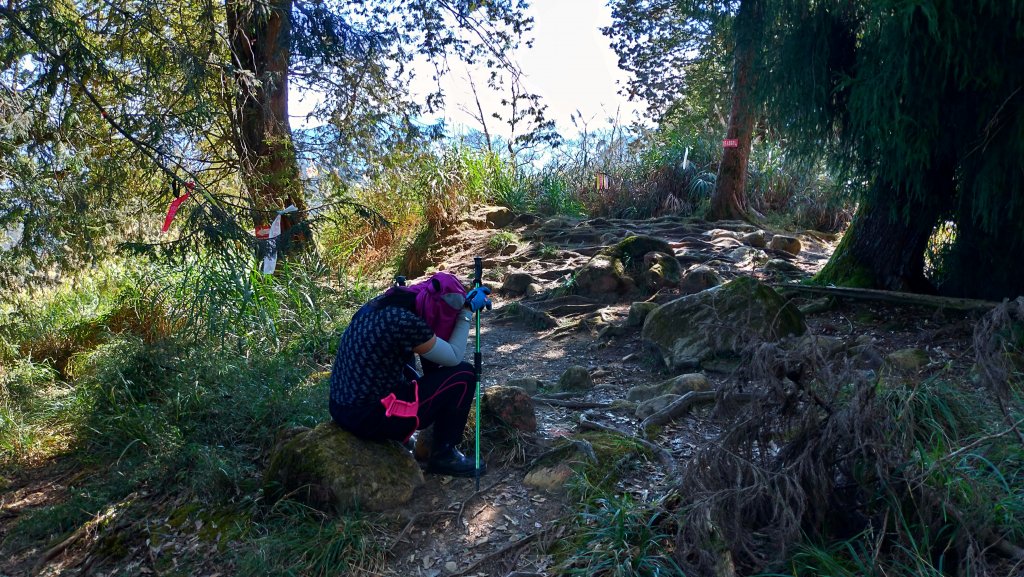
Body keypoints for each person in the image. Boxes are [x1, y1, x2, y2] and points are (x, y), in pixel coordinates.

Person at [328, 272, 492, 477]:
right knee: (464, 375)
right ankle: (444, 454)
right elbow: (453, 357)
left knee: (408, 370)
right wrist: (465, 312)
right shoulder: (406, 322)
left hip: (341, 406)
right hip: (368, 417)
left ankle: (404, 438)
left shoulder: (384, 303)